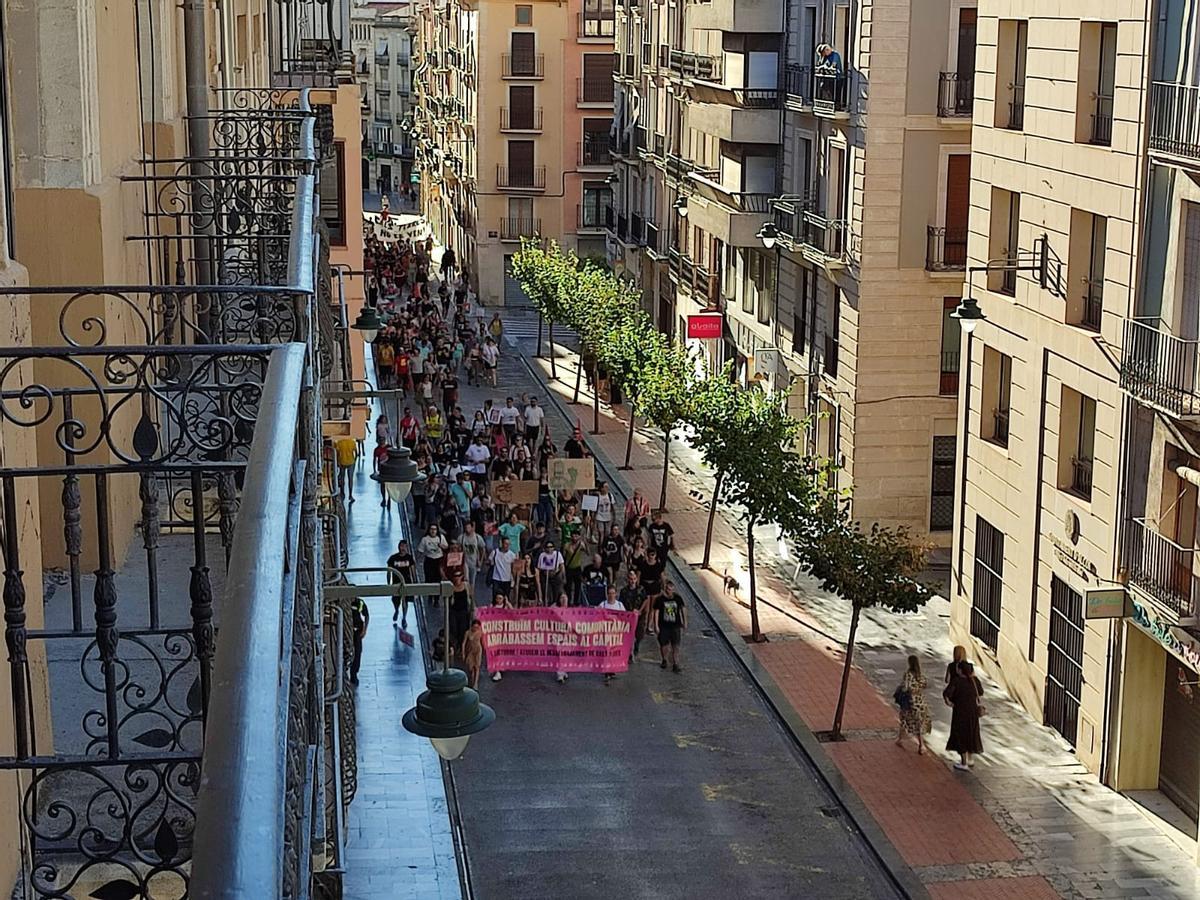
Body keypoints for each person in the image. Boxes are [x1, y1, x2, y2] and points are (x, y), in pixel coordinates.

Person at [944, 659, 984, 770]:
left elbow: (947, 693)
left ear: (961, 670)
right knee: (971, 733)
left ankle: (963, 762)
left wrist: (949, 703)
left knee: (960, 735)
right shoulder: (975, 681)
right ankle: (970, 759)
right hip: (973, 713)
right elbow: (980, 692)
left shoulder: (957, 681)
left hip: (960, 713)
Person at [895, 655, 932, 754]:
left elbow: (905, 688)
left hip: (910, 702)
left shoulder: (908, 675)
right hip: (920, 702)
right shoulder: (920, 675)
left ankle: (907, 741)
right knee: (918, 723)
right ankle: (917, 744)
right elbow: (925, 685)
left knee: (905, 720)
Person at [654, 580, 686, 673]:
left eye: (671, 589)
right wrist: (656, 625)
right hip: (664, 625)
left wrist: (684, 621)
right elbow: (656, 612)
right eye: (668, 589)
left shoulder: (677, 598)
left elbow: (683, 609)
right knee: (664, 644)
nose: (670, 591)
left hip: (675, 625)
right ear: (665, 589)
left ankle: (676, 663)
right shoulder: (660, 600)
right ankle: (664, 659)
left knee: (676, 645)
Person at [599, 587, 626, 683]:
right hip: (605, 633)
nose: (611, 595)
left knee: (614, 652)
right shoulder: (603, 604)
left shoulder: (619, 605)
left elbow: (625, 617)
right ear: (607, 594)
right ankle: (607, 672)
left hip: (616, 634)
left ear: (616, 594)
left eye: (613, 593)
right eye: (609, 593)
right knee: (607, 652)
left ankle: (612, 669)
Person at [386, 539, 417, 624]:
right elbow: (389, 571)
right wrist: (388, 583)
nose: (402, 548)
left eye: (404, 546)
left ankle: (404, 617)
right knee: (395, 600)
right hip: (396, 582)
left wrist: (414, 582)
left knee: (405, 601)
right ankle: (396, 610)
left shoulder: (409, 558)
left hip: (406, 582)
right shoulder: (393, 558)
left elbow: (413, 570)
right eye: (401, 546)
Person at [448, 575, 472, 658]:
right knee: (454, 629)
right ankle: (455, 646)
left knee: (463, 630)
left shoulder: (466, 585)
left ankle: (461, 648)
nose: (457, 578)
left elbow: (471, 597)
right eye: (455, 576)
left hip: (463, 612)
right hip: (454, 612)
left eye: (459, 576)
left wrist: (472, 609)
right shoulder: (450, 587)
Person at [460, 521, 486, 597]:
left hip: (474, 562)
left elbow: (482, 549)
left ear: (472, 528)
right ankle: (467, 596)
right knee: (466, 579)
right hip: (465, 562)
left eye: (468, 527)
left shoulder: (477, 538)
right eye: (466, 528)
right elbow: (457, 549)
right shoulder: (461, 538)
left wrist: (480, 561)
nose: (467, 529)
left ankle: (471, 596)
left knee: (472, 582)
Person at [489, 536, 517, 601]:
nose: (507, 546)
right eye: (506, 544)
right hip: (496, 578)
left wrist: (513, 579)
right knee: (495, 598)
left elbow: (513, 567)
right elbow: (490, 562)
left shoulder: (512, 555)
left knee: (506, 598)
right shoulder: (495, 552)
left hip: (507, 579)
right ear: (502, 543)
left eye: (508, 544)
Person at [333, 435, 358, 502]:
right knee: (350, 479)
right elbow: (356, 453)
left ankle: (342, 493)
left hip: (342, 462)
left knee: (342, 479)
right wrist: (354, 461)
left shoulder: (339, 443)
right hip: (351, 462)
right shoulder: (352, 442)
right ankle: (350, 495)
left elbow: (337, 454)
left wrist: (338, 462)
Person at [552, 592, 571, 684]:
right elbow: (548, 611)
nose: (564, 599)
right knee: (560, 654)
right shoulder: (556, 609)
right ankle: (560, 674)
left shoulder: (571, 610)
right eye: (561, 598)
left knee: (566, 654)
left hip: (568, 635)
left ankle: (564, 671)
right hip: (558, 635)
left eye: (565, 597)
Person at [350, 596, 369, 686]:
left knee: (358, 652)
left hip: (357, 630)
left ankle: (354, 673)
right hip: (348, 630)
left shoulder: (360, 603)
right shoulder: (345, 601)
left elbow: (366, 615)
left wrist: (364, 629)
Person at [462, 619, 483, 689]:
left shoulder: (480, 632)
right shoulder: (468, 633)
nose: (475, 629)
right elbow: (464, 643)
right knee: (471, 668)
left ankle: (475, 683)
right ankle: (472, 680)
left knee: (477, 667)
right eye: (474, 627)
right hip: (470, 651)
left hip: (478, 651)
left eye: (477, 627)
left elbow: (483, 642)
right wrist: (463, 653)